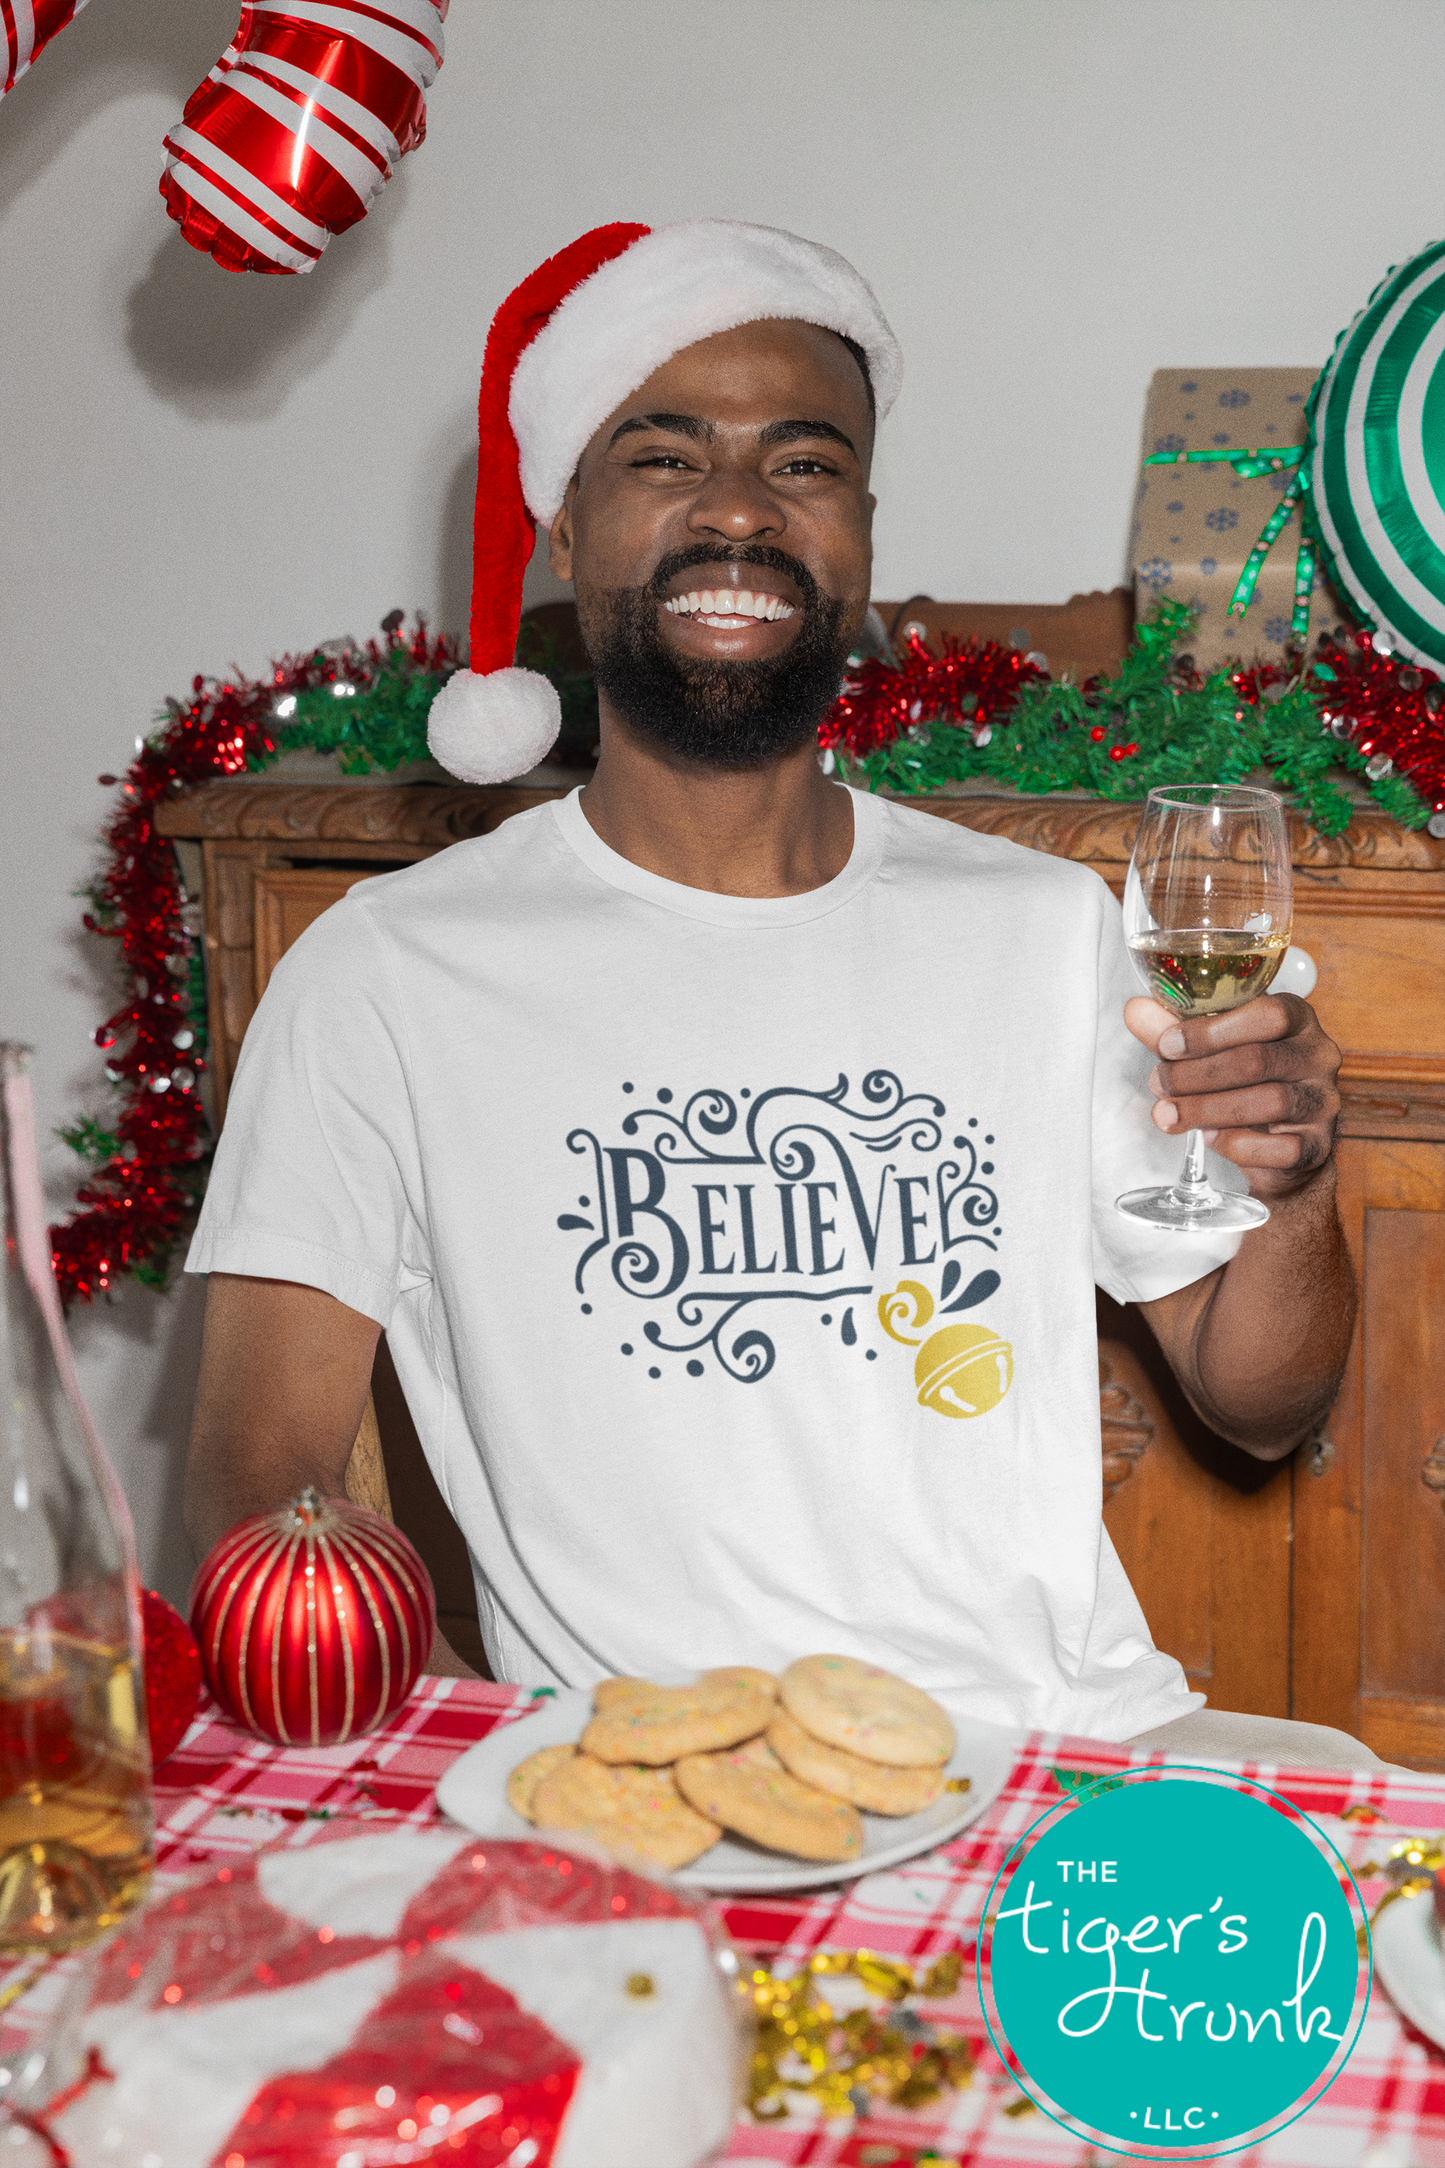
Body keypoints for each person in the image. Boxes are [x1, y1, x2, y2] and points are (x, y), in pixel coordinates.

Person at [184, 220, 1373, 1769]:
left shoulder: (1045, 930)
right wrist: (454, 1772)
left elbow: (1261, 1401)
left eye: (804, 465)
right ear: (562, 525)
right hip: (645, 1786)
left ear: (862, 534)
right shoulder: (387, 973)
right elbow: (259, 1484)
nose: (739, 507)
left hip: (1059, 1755)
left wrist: (1287, 1186)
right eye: (665, 458)